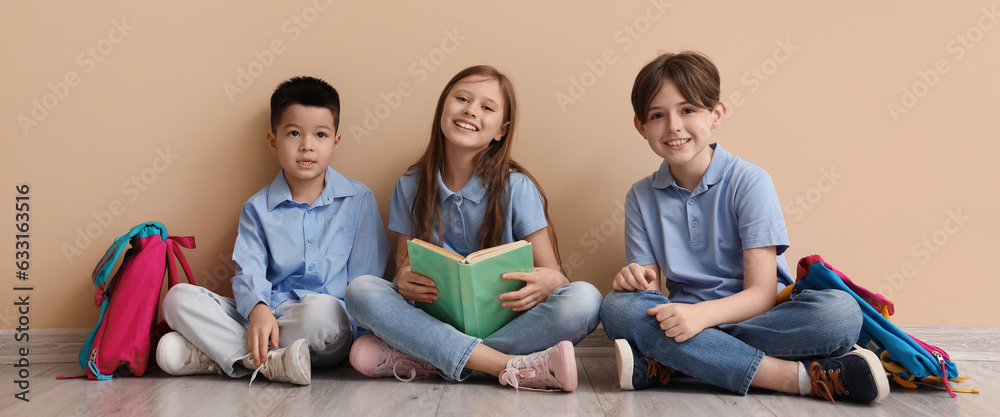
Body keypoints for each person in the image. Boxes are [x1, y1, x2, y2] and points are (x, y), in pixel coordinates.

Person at [600, 51, 890, 403]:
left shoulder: (749, 181)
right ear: (640, 126)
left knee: (840, 313)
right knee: (618, 308)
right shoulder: (640, 196)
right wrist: (633, 280)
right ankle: (794, 377)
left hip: (759, 318)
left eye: (688, 110)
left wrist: (700, 318)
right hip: (682, 320)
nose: (674, 125)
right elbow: (650, 295)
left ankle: (675, 362)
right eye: (657, 115)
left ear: (716, 113)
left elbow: (762, 293)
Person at [345, 65, 602, 392]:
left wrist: (547, 282)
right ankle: (504, 366)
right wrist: (404, 280)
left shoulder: (516, 188)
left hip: (509, 322)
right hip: (432, 319)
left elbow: (556, 275)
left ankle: (431, 358)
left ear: (501, 130)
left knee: (586, 299)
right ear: (442, 110)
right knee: (360, 290)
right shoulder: (409, 186)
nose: (470, 110)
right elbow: (402, 269)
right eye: (462, 99)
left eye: (487, 107)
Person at [156, 76, 390, 386]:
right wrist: (258, 309)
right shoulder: (257, 208)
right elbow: (248, 270)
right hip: (267, 316)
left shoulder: (358, 200)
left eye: (320, 135)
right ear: (273, 141)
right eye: (294, 133)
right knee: (176, 298)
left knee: (324, 313)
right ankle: (272, 362)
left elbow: (366, 284)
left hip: (324, 328)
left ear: (335, 142)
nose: (307, 145)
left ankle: (227, 356)